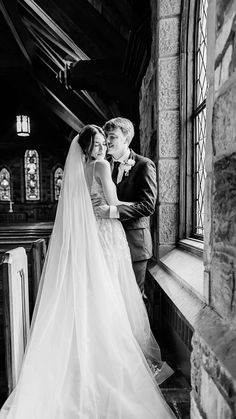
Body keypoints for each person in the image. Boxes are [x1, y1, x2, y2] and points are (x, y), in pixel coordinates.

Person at [0, 125, 175, 419]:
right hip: (108, 234)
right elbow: (115, 203)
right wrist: (117, 207)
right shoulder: (103, 165)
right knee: (115, 299)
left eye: (104, 142)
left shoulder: (76, 168)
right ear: (89, 147)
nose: (102, 147)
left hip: (87, 237)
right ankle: (112, 362)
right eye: (98, 144)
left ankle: (84, 359)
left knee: (93, 296)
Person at [96, 117, 156, 299]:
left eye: (112, 136)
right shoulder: (104, 165)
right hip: (110, 241)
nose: (107, 140)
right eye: (106, 135)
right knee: (114, 299)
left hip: (134, 243)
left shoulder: (143, 165)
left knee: (134, 298)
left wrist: (113, 212)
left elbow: (148, 205)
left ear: (126, 139)